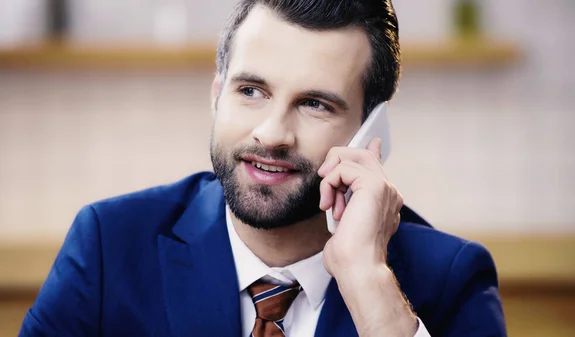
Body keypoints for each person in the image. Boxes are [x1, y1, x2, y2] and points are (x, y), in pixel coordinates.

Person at [19, 0, 507, 336]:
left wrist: (368, 285)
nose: (272, 133)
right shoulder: (109, 245)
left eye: (315, 103)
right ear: (217, 98)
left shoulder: (450, 279)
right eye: (250, 91)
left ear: (371, 132)